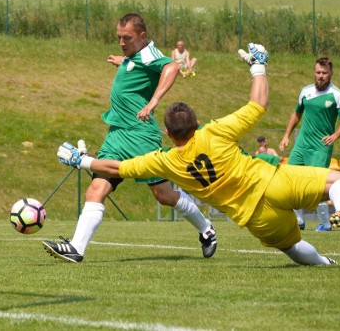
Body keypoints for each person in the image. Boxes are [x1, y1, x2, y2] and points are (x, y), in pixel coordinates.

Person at [57, 43, 340, 266]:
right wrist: (258, 64)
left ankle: (323, 263)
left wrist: (80, 160)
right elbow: (258, 103)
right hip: (272, 183)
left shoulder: (167, 160)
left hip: (253, 218)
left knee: (292, 248)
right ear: (196, 123)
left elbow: (117, 166)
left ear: (167, 135)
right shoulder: (214, 131)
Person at [42, 13, 217, 263]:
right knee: (97, 188)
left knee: (164, 196)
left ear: (142, 36)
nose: (122, 42)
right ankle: (76, 249)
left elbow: (173, 67)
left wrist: (154, 101)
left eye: (127, 38)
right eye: (119, 38)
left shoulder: (149, 54)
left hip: (140, 135)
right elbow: (139, 63)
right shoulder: (135, 56)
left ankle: (206, 229)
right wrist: (124, 60)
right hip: (116, 134)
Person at [279, 57, 340, 232]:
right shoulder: (306, 92)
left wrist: (334, 136)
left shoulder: (337, 95)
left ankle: (325, 223)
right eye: (318, 72)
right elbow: (296, 114)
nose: (321, 76)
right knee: (289, 181)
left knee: (316, 186)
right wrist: (286, 135)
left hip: (320, 148)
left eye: (324, 73)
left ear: (330, 74)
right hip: (301, 145)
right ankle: (298, 220)